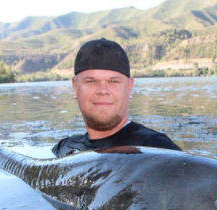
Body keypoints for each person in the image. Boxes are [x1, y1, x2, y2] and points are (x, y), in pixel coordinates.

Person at [52, 38, 181, 157]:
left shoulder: (158, 150)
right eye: (91, 81)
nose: (103, 91)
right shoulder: (63, 149)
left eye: (113, 81)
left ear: (129, 87)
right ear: (75, 87)